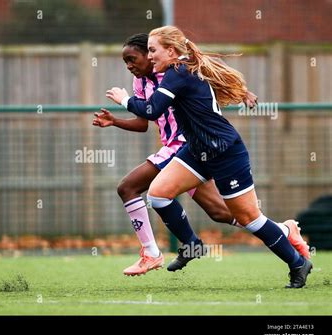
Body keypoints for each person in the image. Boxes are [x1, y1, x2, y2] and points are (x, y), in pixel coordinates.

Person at [106, 26, 311, 288]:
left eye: (153, 50)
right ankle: (191, 244)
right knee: (158, 194)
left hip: (225, 151)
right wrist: (241, 91)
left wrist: (124, 100)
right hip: (196, 150)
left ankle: (297, 262)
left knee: (249, 218)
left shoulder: (177, 73)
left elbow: (151, 108)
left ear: (170, 51)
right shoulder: (179, 70)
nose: (151, 56)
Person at [93, 33, 260, 276]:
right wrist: (115, 121)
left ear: (152, 55)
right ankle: (284, 233)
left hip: (185, 145)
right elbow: (143, 122)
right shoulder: (140, 83)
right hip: (176, 148)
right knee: (220, 212)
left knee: (127, 187)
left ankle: (153, 253)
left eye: (133, 58)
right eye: (125, 62)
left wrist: (243, 91)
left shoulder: (178, 71)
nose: (129, 66)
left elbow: (214, 71)